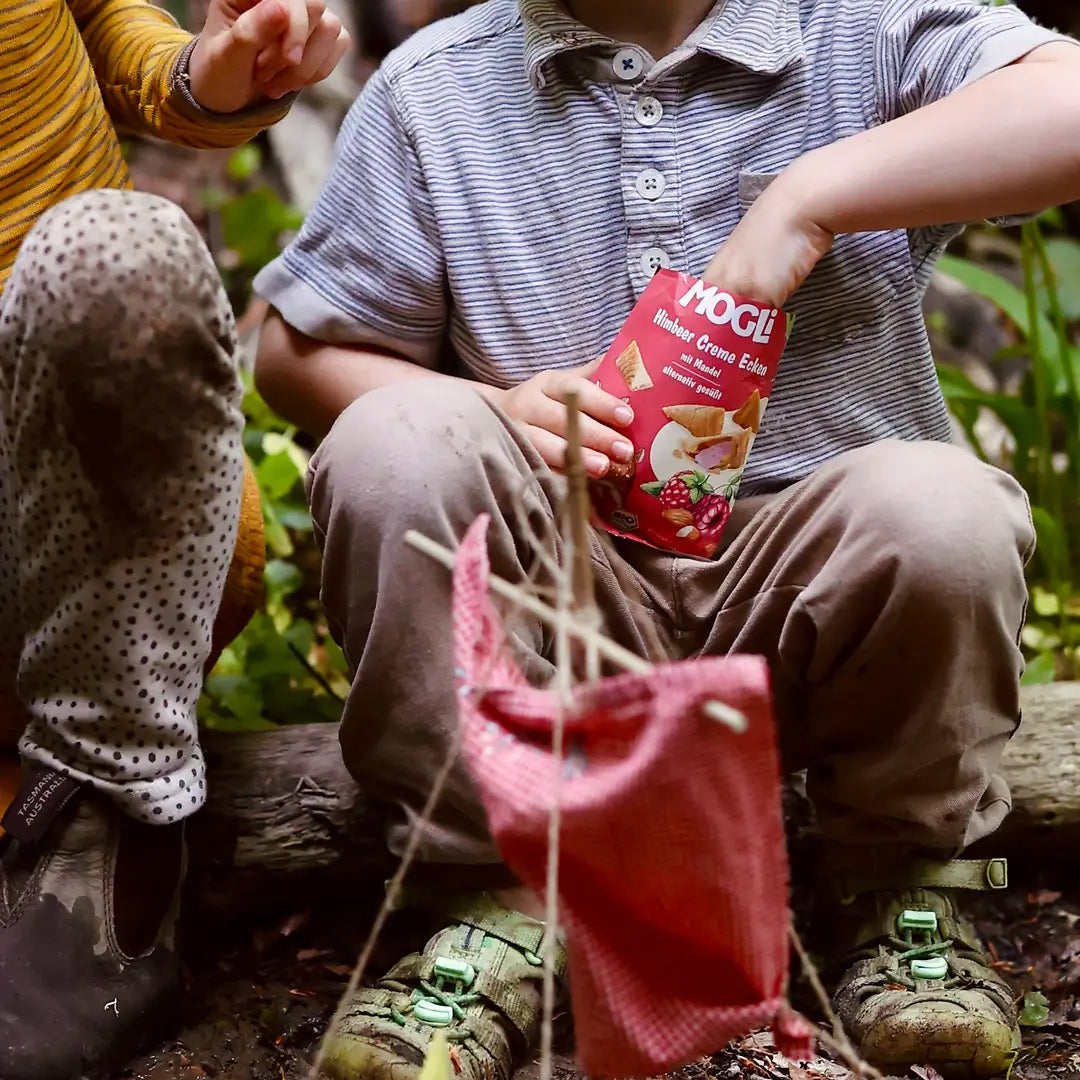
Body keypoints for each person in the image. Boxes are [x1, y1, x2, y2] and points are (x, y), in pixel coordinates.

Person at [253, 0, 1080, 1076]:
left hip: (810, 603)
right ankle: (497, 891)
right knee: (394, 440)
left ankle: (899, 879)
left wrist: (810, 195)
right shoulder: (433, 91)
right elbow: (292, 352)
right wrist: (497, 409)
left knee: (939, 508)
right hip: (562, 592)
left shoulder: (860, 30)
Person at [0, 0, 349, 1077]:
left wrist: (209, 73)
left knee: (127, 251)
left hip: (68, 501)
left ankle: (107, 851)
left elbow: (107, 29)